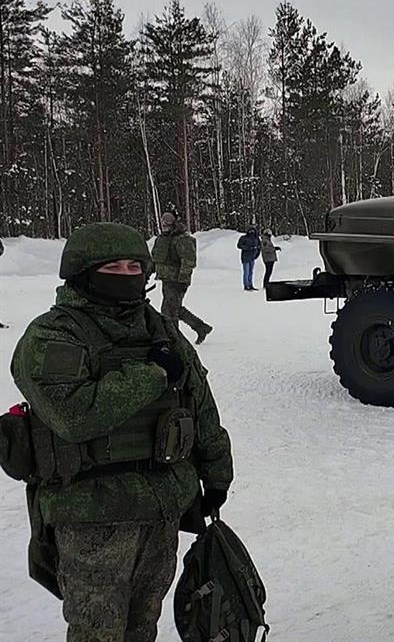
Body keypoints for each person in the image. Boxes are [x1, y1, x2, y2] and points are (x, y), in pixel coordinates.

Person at [8, 221, 234, 641]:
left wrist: (217, 475)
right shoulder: (52, 335)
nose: (128, 276)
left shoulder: (161, 329)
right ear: (81, 272)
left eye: (136, 267)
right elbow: (74, 416)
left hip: (162, 508)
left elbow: (199, 404)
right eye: (114, 267)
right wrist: (152, 376)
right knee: (98, 632)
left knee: (142, 626)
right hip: (92, 517)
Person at [151, 211, 213, 344]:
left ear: (174, 222)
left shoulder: (182, 239)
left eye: (168, 220)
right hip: (166, 279)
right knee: (174, 309)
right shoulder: (162, 239)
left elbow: (189, 261)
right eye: (163, 220)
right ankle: (201, 327)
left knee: (169, 311)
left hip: (177, 281)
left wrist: (182, 280)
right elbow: (156, 259)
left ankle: (173, 339)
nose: (164, 223)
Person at [236, 227, 261, 291]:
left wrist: (257, 254)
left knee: (250, 272)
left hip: (252, 257)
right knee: (246, 272)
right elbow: (239, 245)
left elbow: (259, 247)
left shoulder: (256, 238)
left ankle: (250, 284)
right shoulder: (244, 238)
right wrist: (248, 248)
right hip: (246, 257)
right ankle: (246, 285)